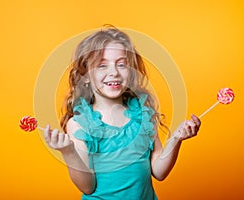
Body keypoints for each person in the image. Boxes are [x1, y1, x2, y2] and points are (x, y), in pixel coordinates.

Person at [44, 26, 201, 200]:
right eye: (102, 65)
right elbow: (87, 187)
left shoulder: (143, 117)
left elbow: (159, 172)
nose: (114, 72)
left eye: (121, 64)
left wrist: (176, 139)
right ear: (86, 75)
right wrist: (68, 152)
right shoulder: (80, 125)